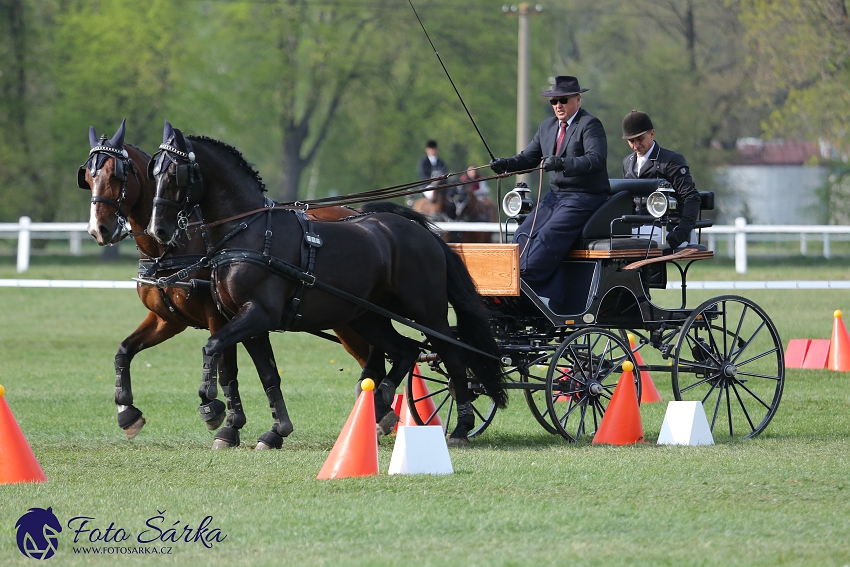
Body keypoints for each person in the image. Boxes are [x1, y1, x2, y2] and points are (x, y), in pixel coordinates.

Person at [489, 75, 610, 295]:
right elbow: (527, 159)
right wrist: (505, 164)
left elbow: (596, 159)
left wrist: (563, 162)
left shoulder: (589, 125)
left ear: (577, 99)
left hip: (584, 197)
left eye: (563, 100)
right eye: (553, 101)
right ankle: (509, 278)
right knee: (523, 232)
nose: (558, 105)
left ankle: (528, 285)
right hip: (555, 198)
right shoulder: (547, 127)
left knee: (547, 235)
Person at [620, 110, 701, 251]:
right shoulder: (627, 163)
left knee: (626, 241)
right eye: (631, 141)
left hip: (668, 227)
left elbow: (691, 197)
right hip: (638, 228)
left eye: (640, 139)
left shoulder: (670, 161)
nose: (635, 145)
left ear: (652, 133)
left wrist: (681, 232)